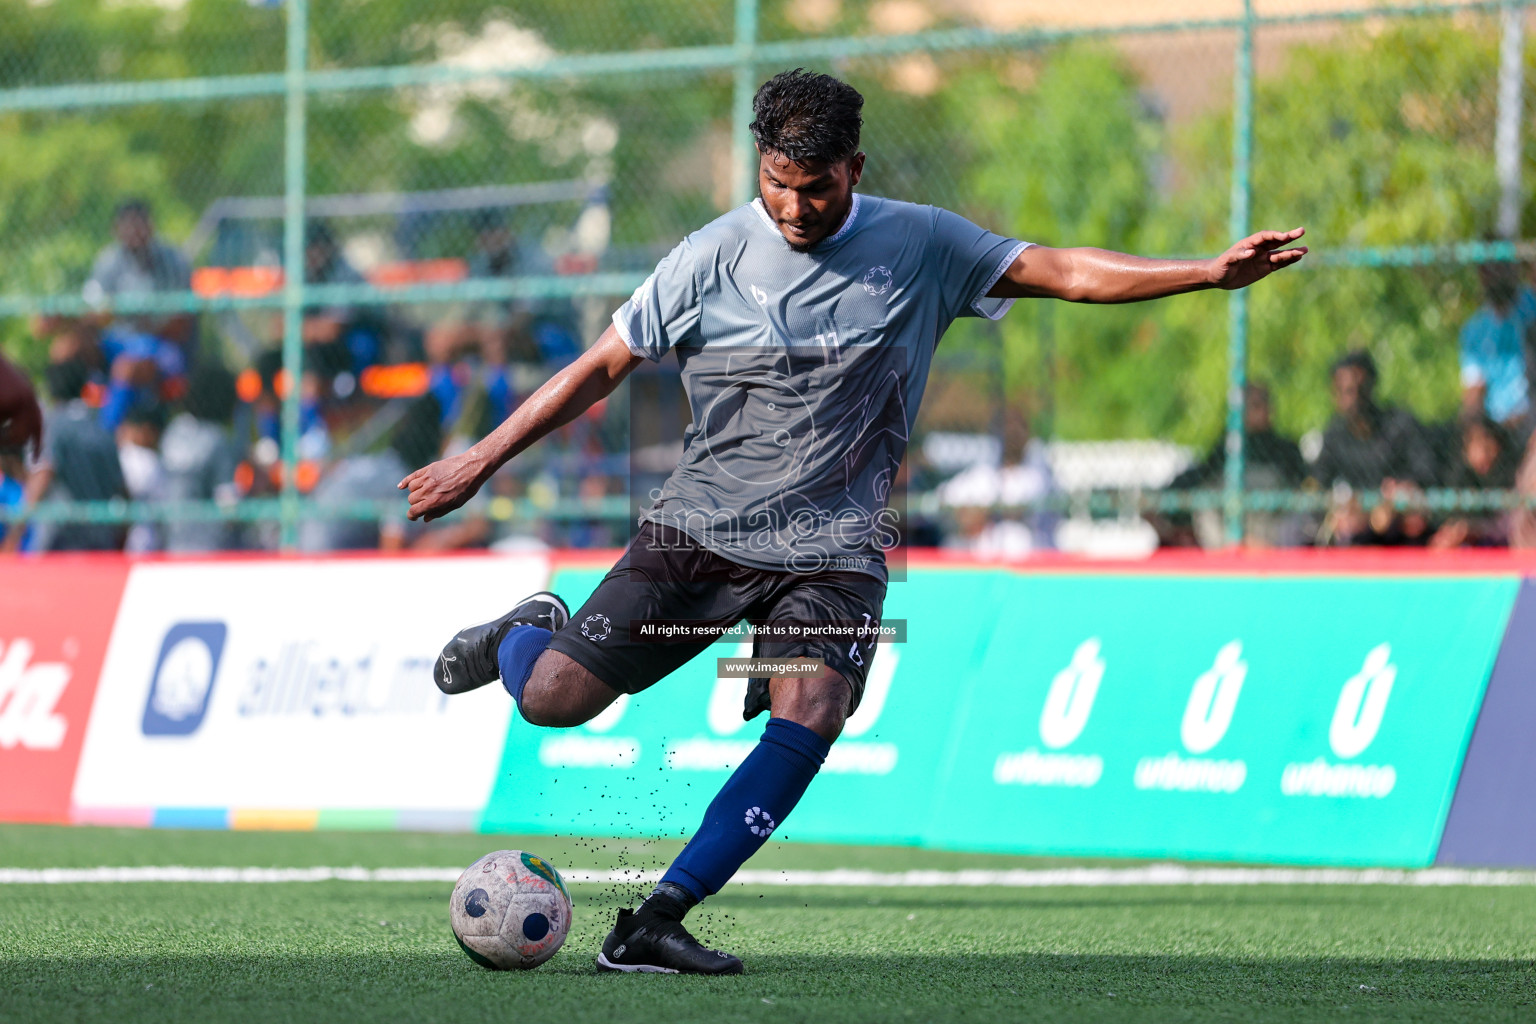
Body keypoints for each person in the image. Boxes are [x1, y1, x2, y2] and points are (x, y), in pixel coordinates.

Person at [399, 69, 1306, 974]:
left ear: (855, 167)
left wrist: (1206, 273)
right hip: (700, 532)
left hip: (832, 553)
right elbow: (603, 366)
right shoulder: (709, 256)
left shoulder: (921, 243)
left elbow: (1061, 271)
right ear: (760, 164)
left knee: (815, 706)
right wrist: (479, 459)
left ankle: (655, 918)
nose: (794, 206)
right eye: (777, 183)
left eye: (817, 186)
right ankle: (530, 633)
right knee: (555, 700)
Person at [83, 199, 197, 430]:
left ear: (150, 226)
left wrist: (144, 325)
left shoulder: (173, 260)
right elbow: (93, 313)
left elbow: (181, 324)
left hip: (163, 347)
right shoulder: (108, 260)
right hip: (118, 342)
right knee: (70, 348)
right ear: (117, 229)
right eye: (128, 226)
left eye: (139, 225)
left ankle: (104, 437)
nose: (134, 232)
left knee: (127, 367)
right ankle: (67, 427)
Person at [26, 359, 127, 551]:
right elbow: (122, 488)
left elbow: (44, 473)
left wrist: (17, 528)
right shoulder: (101, 426)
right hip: (100, 539)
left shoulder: (53, 424)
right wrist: (122, 537)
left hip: (61, 539)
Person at [1311, 350, 1436, 492]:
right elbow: (1318, 481)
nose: (1353, 400)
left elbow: (1427, 473)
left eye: (1358, 389)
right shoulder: (1335, 436)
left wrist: (1402, 488)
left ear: (1371, 385)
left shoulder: (1400, 426)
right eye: (1344, 392)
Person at [1459, 261, 1536, 435]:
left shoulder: (1531, 304)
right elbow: (1474, 386)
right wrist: (1473, 430)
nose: (1496, 274)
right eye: (1488, 269)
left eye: (1502, 266)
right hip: (1498, 429)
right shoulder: (1474, 329)